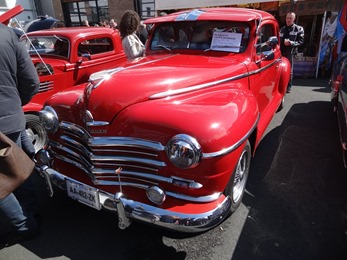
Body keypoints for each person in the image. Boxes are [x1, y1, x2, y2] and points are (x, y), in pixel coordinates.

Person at [0, 22, 40, 246]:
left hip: (9, 115)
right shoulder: (8, 34)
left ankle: (24, 224)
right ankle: (30, 215)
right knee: (19, 167)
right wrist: (14, 105)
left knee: (4, 177)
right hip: (12, 116)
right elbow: (31, 81)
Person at [280, 12, 304, 93]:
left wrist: (291, 43)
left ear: (294, 19)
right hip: (280, 52)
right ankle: (281, 84)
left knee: (289, 70)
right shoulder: (282, 29)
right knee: (280, 68)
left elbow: (301, 42)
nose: (288, 20)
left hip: (290, 52)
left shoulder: (299, 29)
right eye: (287, 18)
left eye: (290, 18)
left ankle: (288, 85)